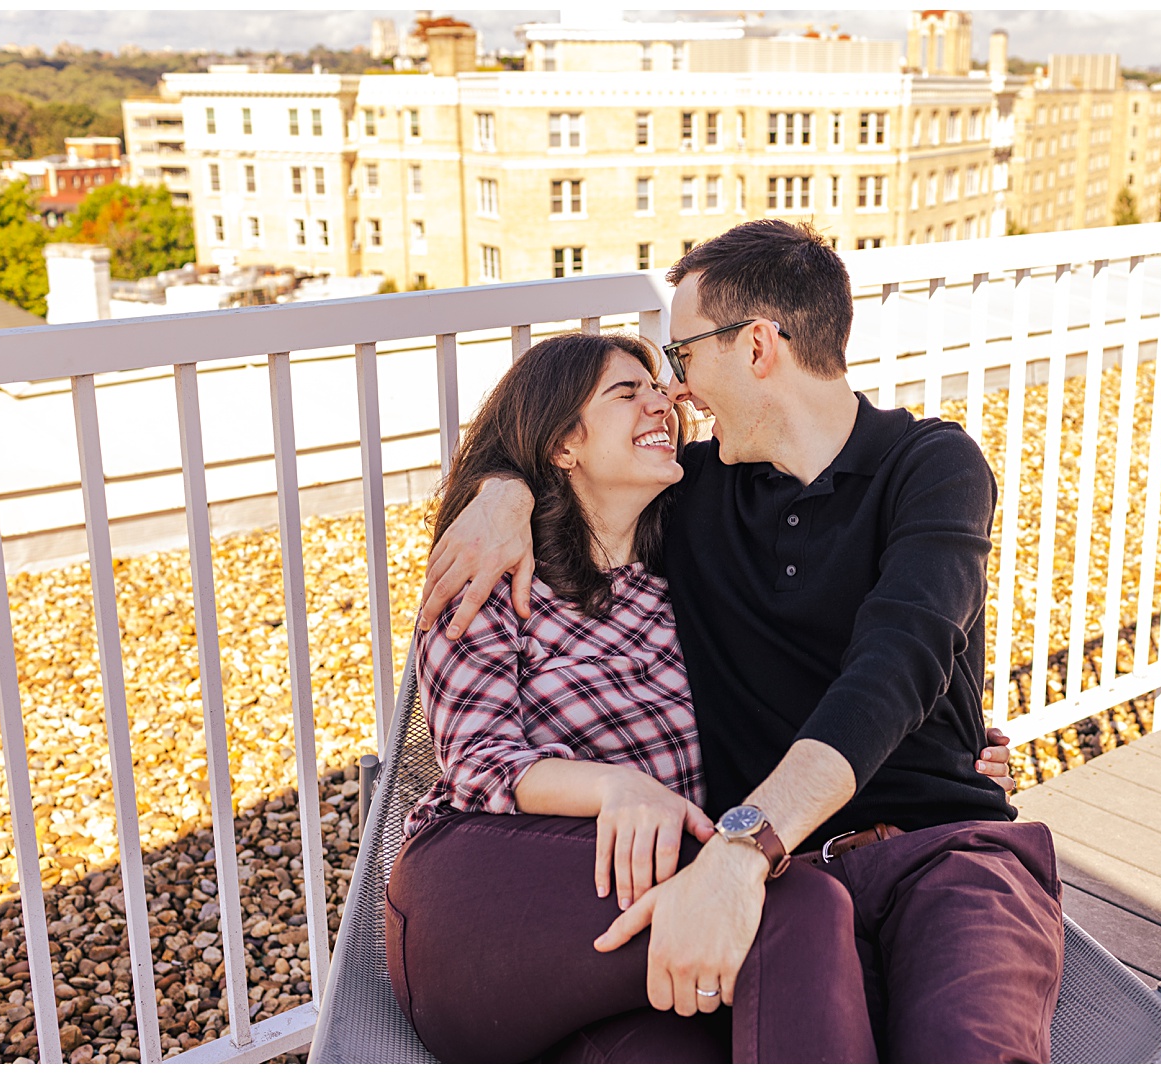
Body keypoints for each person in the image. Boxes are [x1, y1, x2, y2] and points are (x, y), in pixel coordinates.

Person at [418, 218, 1063, 1063]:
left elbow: (898, 663)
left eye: (681, 358)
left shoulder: (931, 467)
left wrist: (745, 844)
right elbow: (571, 472)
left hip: (934, 857)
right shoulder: (690, 502)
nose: (676, 392)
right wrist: (501, 486)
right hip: (780, 884)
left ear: (757, 346)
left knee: (969, 1052)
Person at [388, 332, 882, 1062]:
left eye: (661, 386)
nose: (663, 400)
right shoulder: (493, 572)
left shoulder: (686, 583)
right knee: (799, 910)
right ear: (563, 445)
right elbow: (478, 759)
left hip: (626, 914)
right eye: (627, 392)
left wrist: (936, 747)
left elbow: (809, 688)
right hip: (481, 896)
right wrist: (621, 790)